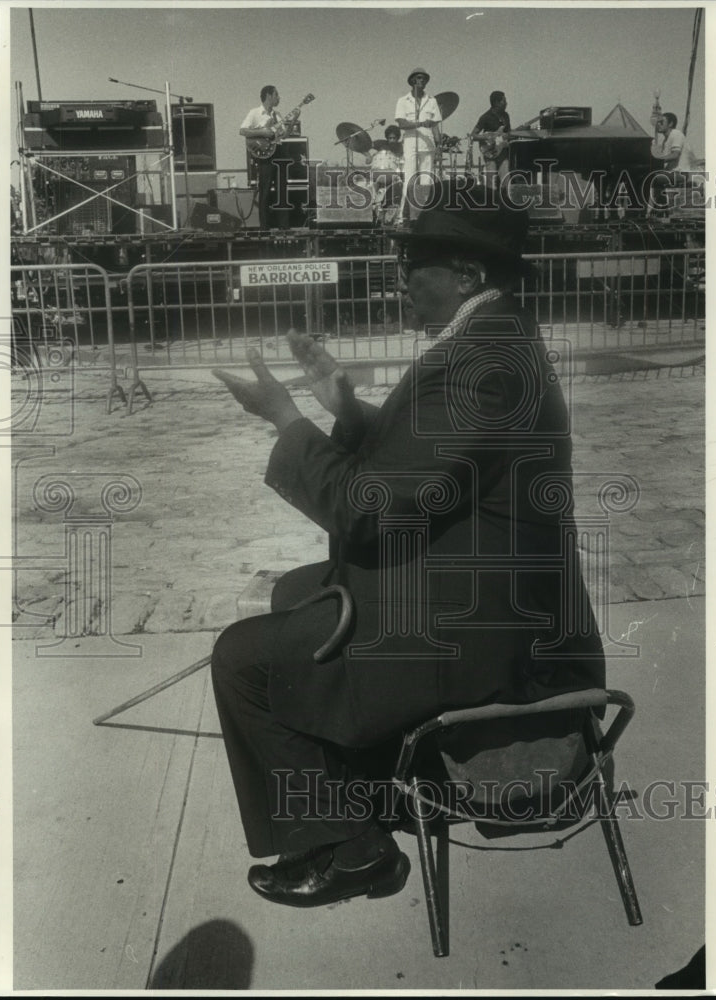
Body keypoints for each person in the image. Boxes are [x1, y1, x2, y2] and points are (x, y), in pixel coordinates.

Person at [210, 182, 606, 910]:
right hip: (482, 598)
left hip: (480, 637)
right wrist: (345, 408)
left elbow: (368, 509)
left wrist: (287, 420)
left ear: (467, 275)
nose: (401, 274)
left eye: (414, 260)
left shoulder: (481, 364)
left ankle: (354, 852)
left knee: (242, 659)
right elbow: (422, 474)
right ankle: (361, 800)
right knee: (300, 593)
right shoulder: (493, 338)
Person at [395, 68, 441, 221]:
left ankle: (423, 217)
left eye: (425, 79)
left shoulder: (432, 101)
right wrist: (420, 123)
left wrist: (439, 143)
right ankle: (404, 216)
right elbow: (401, 123)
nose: (423, 81)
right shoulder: (403, 100)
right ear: (413, 80)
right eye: (420, 78)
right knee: (409, 179)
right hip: (410, 143)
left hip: (428, 144)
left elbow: (435, 125)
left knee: (426, 180)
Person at [240, 85, 284, 229]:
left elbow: (284, 134)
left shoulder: (277, 115)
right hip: (264, 157)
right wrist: (263, 133)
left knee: (281, 190)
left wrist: (293, 119)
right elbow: (243, 130)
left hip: (277, 154)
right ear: (269, 96)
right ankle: (264, 227)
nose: (279, 98)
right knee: (264, 191)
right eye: (276, 95)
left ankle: (282, 225)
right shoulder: (255, 113)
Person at [647, 112, 700, 213]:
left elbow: (675, 155)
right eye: (658, 122)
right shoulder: (665, 141)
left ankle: (656, 209)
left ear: (670, 124)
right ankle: (660, 208)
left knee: (651, 178)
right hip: (673, 173)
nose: (658, 124)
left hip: (681, 173)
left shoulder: (676, 134)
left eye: (661, 122)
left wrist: (656, 162)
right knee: (651, 177)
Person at [472, 90, 512, 188]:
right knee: (491, 182)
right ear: (496, 103)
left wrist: (509, 137)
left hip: (503, 152)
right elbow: (473, 135)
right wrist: (488, 137)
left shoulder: (505, 116)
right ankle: (491, 202)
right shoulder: (485, 117)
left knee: (506, 180)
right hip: (490, 152)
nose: (506, 103)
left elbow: (509, 133)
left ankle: (505, 201)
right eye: (504, 101)